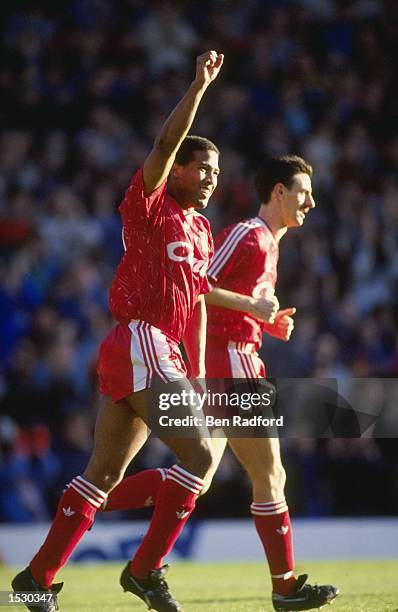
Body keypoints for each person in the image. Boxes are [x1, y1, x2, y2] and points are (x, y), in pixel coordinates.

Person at [12, 50, 224, 612]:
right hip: (139, 338)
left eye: (218, 174)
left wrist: (197, 374)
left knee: (101, 475)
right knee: (202, 455)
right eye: (203, 168)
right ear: (177, 168)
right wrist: (198, 88)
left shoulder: (202, 229)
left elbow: (198, 300)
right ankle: (146, 569)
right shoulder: (149, 204)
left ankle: (36, 578)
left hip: (153, 352)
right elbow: (161, 145)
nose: (210, 179)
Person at [100, 155, 339, 611]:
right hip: (229, 361)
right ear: (278, 192)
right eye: (303, 190)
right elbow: (198, 283)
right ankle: (285, 587)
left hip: (237, 355)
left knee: (200, 475)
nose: (311, 200)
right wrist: (252, 309)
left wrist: (265, 323)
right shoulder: (249, 235)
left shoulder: (270, 244)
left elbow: (224, 298)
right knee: (270, 474)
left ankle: (93, 506)